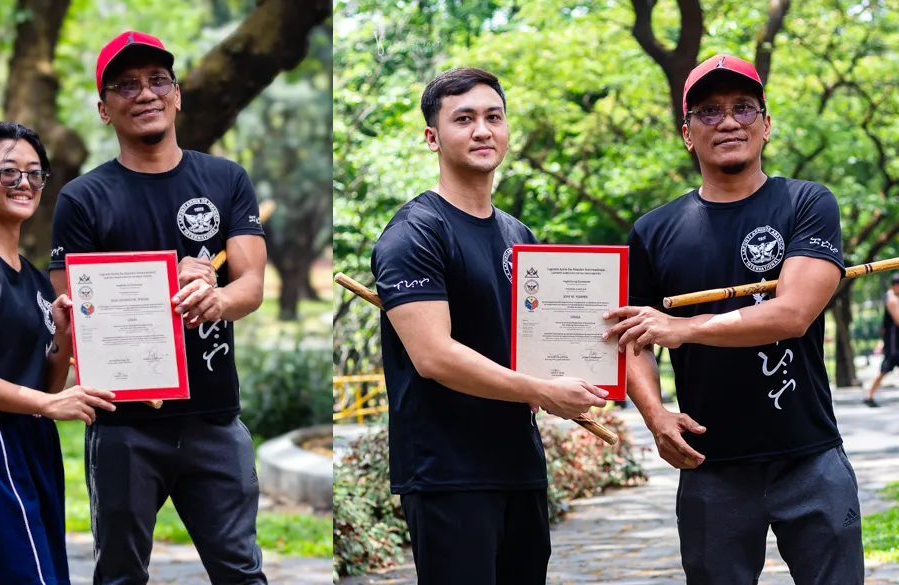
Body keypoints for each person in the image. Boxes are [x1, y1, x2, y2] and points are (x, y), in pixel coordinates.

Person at [603, 54, 863, 583]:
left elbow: (792, 314)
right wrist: (655, 415)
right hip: (709, 467)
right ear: (687, 133)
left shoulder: (807, 203)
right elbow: (631, 338)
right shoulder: (653, 230)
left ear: (766, 126)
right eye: (709, 111)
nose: (727, 122)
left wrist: (681, 328)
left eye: (744, 109)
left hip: (809, 458)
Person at [369, 67, 608, 585]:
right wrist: (543, 388)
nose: (482, 130)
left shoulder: (517, 233)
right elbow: (433, 356)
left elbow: (537, 342)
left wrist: (585, 365)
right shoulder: (413, 234)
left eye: (493, 117)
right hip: (448, 472)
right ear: (432, 137)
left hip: (518, 464)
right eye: (464, 119)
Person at [48, 31, 268, 585]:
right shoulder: (82, 198)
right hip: (123, 426)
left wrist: (214, 296)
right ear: (103, 109)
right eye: (125, 85)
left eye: (157, 80)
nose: (144, 93)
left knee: (241, 573)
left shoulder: (225, 179)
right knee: (120, 575)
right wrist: (170, 282)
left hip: (214, 419)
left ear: (177, 95)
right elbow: (77, 309)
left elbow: (252, 285)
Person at [0, 121, 116, 585]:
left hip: (33, 443)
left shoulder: (34, 280)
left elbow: (47, 384)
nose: (26, 184)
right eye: (9, 172)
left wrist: (64, 337)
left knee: (47, 574)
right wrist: (48, 405)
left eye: (36, 173)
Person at [864, 272, 899, 407]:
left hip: (894, 343)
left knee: (884, 371)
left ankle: (869, 395)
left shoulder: (892, 297)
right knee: (884, 370)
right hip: (894, 344)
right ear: (896, 286)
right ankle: (869, 395)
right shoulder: (892, 299)